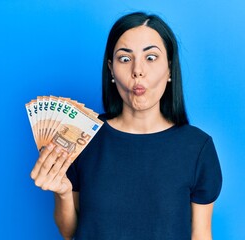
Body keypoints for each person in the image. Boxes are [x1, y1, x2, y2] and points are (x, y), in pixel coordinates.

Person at [31, 12, 222, 240]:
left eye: (151, 58)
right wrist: (62, 193)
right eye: (125, 58)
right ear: (111, 69)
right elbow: (69, 231)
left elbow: (200, 234)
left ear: (170, 68)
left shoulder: (198, 147)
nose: (137, 70)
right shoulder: (81, 135)